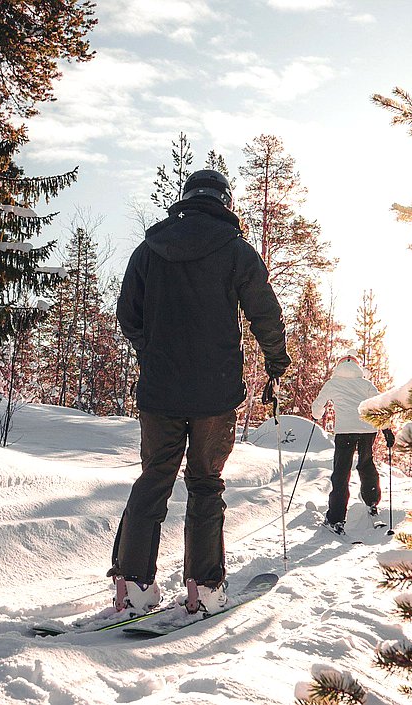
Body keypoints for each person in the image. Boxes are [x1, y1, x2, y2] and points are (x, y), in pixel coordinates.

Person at [110, 169, 290, 616]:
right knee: (205, 484)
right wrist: (275, 362)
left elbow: (127, 314)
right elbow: (264, 312)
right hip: (214, 395)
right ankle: (204, 587)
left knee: (154, 478)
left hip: (159, 392)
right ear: (225, 202)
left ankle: (132, 584)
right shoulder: (236, 251)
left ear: (185, 199)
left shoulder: (149, 250)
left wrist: (151, 349)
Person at [310, 354, 394, 535]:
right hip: (367, 430)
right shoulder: (365, 384)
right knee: (366, 464)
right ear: (358, 366)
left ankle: (336, 518)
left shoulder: (333, 383)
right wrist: (387, 430)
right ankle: (371, 503)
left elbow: (317, 408)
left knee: (341, 471)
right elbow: (380, 406)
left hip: (345, 431)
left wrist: (317, 414)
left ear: (338, 366)